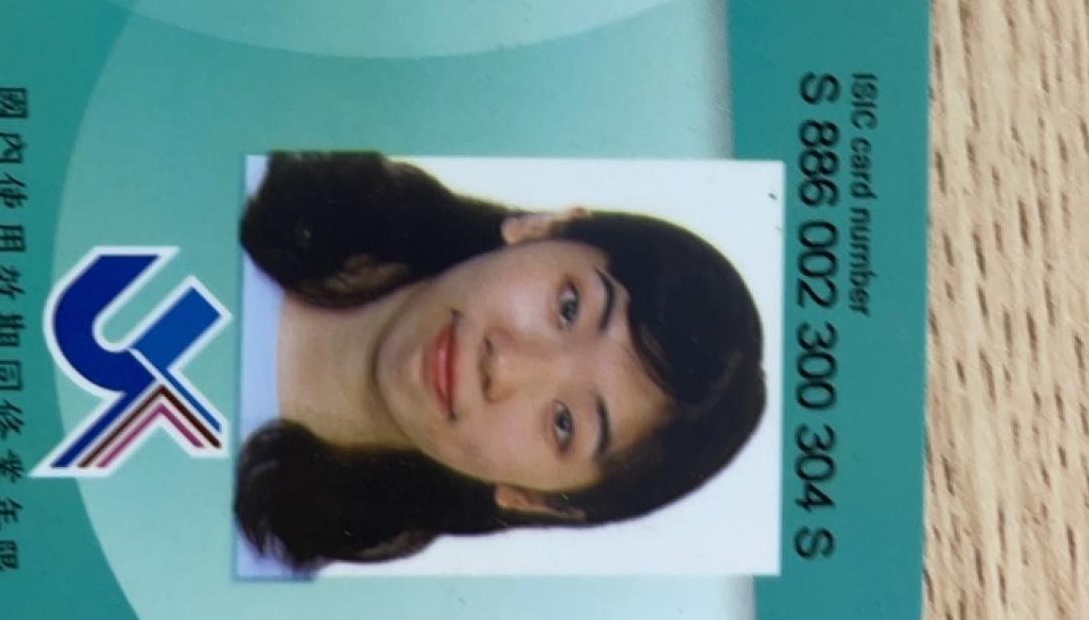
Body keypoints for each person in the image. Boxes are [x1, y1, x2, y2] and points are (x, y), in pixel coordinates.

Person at [234, 152, 767, 573]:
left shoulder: (239, 568)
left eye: (564, 423)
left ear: (532, 498)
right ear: (542, 229)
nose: (505, 366)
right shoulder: (232, 171)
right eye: (569, 307)